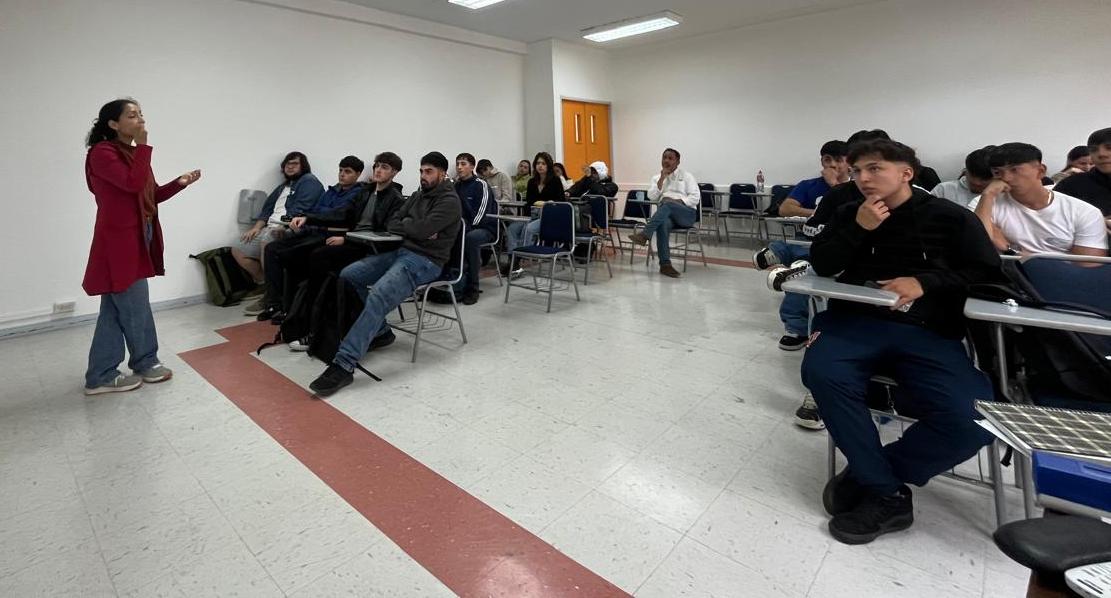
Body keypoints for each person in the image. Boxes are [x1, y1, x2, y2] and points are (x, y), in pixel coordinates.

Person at [802, 139, 1000, 545]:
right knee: (822, 372)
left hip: (926, 330)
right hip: (853, 322)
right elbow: (822, 265)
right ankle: (887, 494)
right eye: (857, 171)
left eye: (874, 168)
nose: (863, 178)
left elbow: (987, 273)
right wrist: (858, 228)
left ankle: (873, 474)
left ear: (906, 173)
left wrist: (925, 282)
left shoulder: (950, 217)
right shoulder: (848, 212)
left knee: (975, 418)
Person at [308, 152, 461, 397]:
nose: (423, 176)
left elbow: (420, 228)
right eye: (421, 171)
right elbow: (394, 222)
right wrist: (415, 228)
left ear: (442, 174)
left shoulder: (450, 201)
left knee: (379, 293)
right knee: (349, 275)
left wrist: (415, 227)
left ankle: (344, 364)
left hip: (427, 260)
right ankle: (380, 331)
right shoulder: (419, 195)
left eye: (429, 171)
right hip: (402, 251)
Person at [82, 99, 201, 395]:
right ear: (113, 124)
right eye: (132, 115)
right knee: (135, 305)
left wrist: (179, 183)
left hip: (139, 234)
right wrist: (145, 147)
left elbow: (150, 195)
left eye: (141, 114)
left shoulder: (134, 154)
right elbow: (132, 184)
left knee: (114, 310)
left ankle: (101, 374)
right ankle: (145, 362)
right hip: (119, 241)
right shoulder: (102, 153)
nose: (141, 120)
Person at [288, 152, 406, 351]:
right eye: (377, 166)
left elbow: (385, 234)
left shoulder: (396, 199)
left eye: (384, 167)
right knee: (306, 255)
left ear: (394, 172)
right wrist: (308, 218)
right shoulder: (365, 191)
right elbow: (341, 214)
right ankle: (306, 318)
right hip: (354, 241)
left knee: (322, 259)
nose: (378, 170)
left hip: (369, 248)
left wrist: (346, 238)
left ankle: (318, 328)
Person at [752, 140, 851, 357]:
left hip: (830, 247)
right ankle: (773, 255)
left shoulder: (855, 188)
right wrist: (816, 214)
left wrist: (835, 187)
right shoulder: (809, 185)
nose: (832, 165)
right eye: (827, 160)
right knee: (788, 247)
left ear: (849, 162)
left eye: (838, 160)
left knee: (801, 271)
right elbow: (786, 209)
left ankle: (796, 329)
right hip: (804, 238)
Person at [250, 156, 366, 321]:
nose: (342, 174)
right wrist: (301, 223)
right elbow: (315, 212)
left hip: (329, 235)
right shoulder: (331, 191)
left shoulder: (358, 194)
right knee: (272, 249)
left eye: (347, 172)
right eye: (340, 170)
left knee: (290, 255)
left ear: (358, 174)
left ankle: (291, 309)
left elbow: (338, 216)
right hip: (312, 231)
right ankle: (273, 303)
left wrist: (312, 219)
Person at [972, 142, 1108, 257]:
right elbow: (978, 242)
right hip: (1004, 277)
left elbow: (1088, 266)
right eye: (997, 172)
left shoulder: (1084, 212)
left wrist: (1012, 250)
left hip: (1064, 277)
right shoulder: (983, 202)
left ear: (1041, 171)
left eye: (1014, 170)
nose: (1006, 178)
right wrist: (988, 194)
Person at [232, 152, 324, 284]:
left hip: (293, 228)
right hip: (270, 226)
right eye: (287, 164)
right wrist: (256, 228)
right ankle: (264, 282)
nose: (290, 166)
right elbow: (267, 209)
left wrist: (282, 225)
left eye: (295, 163)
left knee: (267, 239)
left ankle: (272, 291)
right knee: (238, 247)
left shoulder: (309, 181)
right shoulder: (282, 187)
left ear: (303, 166)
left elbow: (299, 212)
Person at [627, 148, 700, 278]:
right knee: (662, 223)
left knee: (667, 203)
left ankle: (645, 234)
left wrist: (676, 202)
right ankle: (665, 265)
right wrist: (662, 179)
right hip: (667, 216)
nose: (666, 160)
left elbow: (695, 198)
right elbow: (651, 197)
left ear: (677, 162)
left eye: (670, 158)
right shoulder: (656, 178)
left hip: (686, 215)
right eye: (664, 157)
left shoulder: (687, 176)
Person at [502, 152, 564, 272]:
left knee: (528, 228)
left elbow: (561, 201)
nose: (540, 166)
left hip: (548, 217)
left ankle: (516, 260)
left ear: (548, 165)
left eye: (543, 163)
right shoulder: (532, 182)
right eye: (538, 163)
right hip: (532, 214)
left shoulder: (555, 181)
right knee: (512, 228)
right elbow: (529, 201)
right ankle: (511, 258)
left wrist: (548, 202)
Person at [453, 153, 497, 305]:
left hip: (485, 228)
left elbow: (482, 214)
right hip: (464, 227)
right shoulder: (456, 186)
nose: (459, 167)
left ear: (472, 167)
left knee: (470, 238)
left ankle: (473, 288)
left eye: (463, 164)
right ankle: (453, 282)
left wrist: (466, 228)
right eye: (457, 164)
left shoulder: (481, 185)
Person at [1054, 128, 1111, 223]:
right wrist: (1095, 223)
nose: (1101, 154)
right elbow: (1052, 219)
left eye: (1109, 148)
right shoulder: (1070, 185)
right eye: (1094, 150)